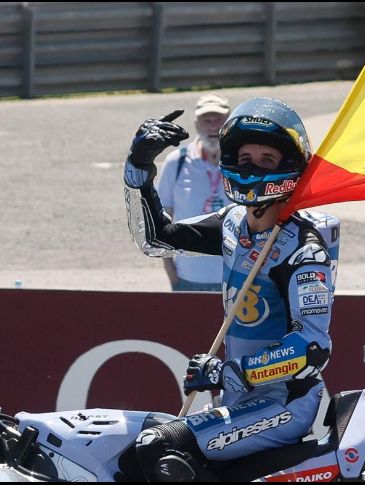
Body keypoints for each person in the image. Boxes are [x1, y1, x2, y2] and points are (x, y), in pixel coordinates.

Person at [123, 97, 339, 481]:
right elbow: (155, 240)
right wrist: (138, 168)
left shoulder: (305, 251)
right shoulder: (232, 222)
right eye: (244, 159)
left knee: (157, 448)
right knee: (137, 453)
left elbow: (311, 349)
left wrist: (229, 373)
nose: (251, 168)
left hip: (285, 406)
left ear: (290, 167)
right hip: (240, 401)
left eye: (266, 160)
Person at [156, 93, 230, 292]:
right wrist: (170, 271)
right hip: (189, 279)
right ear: (197, 125)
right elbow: (162, 219)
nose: (213, 126)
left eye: (219, 120)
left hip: (236, 279)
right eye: (207, 121)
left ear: (229, 123)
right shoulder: (176, 162)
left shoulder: (240, 162)